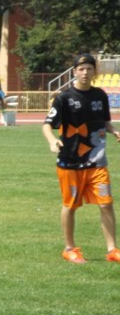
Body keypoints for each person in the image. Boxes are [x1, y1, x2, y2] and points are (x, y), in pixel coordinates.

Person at [42, 53, 120, 264]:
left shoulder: (100, 96)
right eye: (81, 69)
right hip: (70, 163)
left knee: (106, 204)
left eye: (89, 68)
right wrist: (51, 141)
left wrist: (114, 131)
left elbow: (104, 122)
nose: (85, 72)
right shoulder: (64, 98)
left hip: (97, 162)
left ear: (95, 71)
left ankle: (113, 250)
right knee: (71, 205)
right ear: (75, 71)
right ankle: (69, 249)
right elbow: (47, 124)